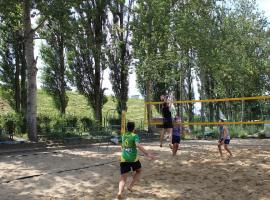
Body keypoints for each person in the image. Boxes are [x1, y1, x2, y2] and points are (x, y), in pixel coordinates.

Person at [117, 122, 155, 199]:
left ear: (127, 128)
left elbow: (121, 145)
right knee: (139, 171)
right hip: (133, 159)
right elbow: (138, 145)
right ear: (134, 128)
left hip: (124, 158)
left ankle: (120, 192)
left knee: (123, 178)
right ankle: (130, 186)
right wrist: (147, 154)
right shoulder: (135, 136)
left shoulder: (123, 136)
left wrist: (123, 152)